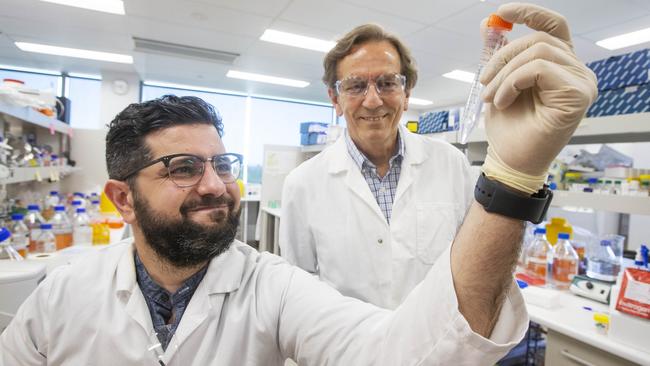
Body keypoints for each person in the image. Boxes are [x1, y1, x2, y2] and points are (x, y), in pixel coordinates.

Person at [0, 3, 596, 366]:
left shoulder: (270, 290)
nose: (215, 185)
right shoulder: (59, 297)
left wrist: (513, 176)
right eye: (184, 168)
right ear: (122, 199)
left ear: (407, 91)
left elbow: (406, 345)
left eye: (222, 163)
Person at [279, 3, 596, 310]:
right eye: (355, 85)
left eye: (388, 83)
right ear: (335, 98)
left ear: (407, 94)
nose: (373, 100)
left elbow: (478, 266)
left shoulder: (450, 163)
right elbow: (298, 292)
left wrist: (520, 171)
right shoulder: (302, 184)